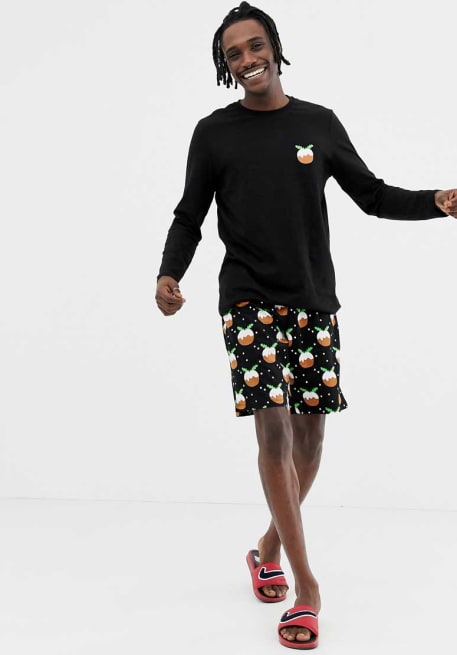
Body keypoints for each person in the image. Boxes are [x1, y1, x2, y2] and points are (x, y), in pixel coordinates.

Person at [155, 1, 456, 649]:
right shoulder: (214, 134)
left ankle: (266, 547)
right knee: (272, 431)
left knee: (310, 443)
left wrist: (436, 201)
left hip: (314, 300)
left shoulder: (317, 124)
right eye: (233, 53)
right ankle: (306, 587)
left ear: (275, 46)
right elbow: (189, 214)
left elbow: (372, 196)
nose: (247, 59)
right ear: (224, 66)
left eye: (254, 45)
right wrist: (169, 273)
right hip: (247, 299)